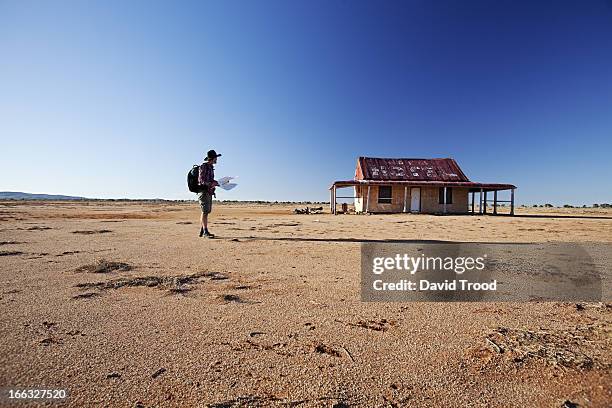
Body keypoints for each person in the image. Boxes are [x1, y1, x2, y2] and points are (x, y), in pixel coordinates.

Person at [198, 149, 221, 238]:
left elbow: (210, 180)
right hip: (203, 192)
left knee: (206, 212)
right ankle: (205, 232)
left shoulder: (211, 167)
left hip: (209, 191)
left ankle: (203, 229)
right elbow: (201, 180)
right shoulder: (203, 166)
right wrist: (211, 183)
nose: (217, 160)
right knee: (205, 212)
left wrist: (219, 183)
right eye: (216, 158)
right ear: (212, 158)